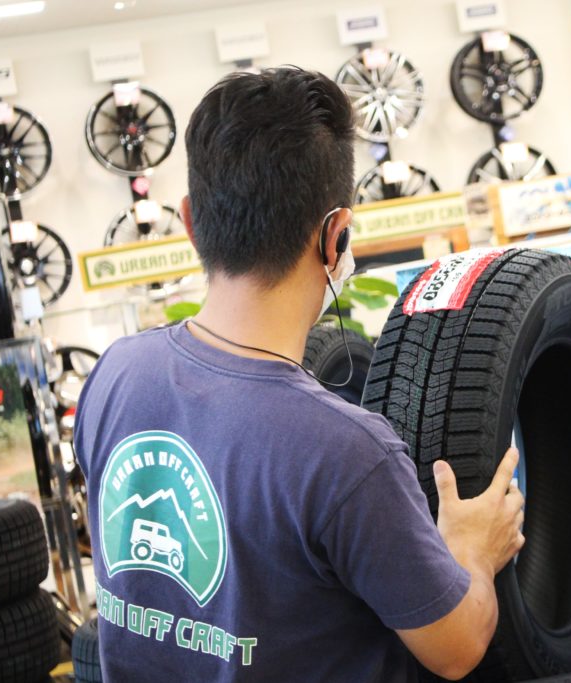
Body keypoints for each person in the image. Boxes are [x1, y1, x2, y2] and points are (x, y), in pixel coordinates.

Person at [74, 66, 525, 682]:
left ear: (190, 222)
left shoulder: (115, 374)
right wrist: (473, 549)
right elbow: (458, 648)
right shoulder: (346, 452)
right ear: (337, 235)